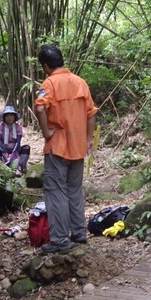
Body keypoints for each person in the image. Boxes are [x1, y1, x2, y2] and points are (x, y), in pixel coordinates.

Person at [34, 45, 98, 253]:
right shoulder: (80, 82)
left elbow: (40, 107)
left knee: (56, 192)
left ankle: (60, 239)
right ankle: (79, 233)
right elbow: (91, 113)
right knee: (75, 190)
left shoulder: (50, 83)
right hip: (78, 146)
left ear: (45, 65)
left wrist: (46, 133)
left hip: (58, 147)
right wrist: (88, 139)